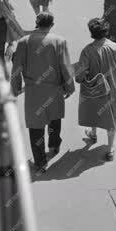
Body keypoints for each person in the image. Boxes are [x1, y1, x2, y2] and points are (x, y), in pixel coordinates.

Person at [10, 12, 74, 173]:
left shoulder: (23, 42)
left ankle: (40, 162)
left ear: (36, 24)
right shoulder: (59, 41)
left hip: (33, 91)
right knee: (54, 119)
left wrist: (16, 87)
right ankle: (54, 145)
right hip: (54, 89)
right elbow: (66, 67)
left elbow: (16, 68)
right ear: (52, 25)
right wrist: (69, 87)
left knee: (35, 127)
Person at [75, 18, 116, 162]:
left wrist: (79, 80)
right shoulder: (115, 47)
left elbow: (81, 73)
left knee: (94, 110)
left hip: (95, 89)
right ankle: (110, 149)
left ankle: (93, 134)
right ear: (106, 31)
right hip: (113, 87)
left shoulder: (87, 51)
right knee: (112, 116)